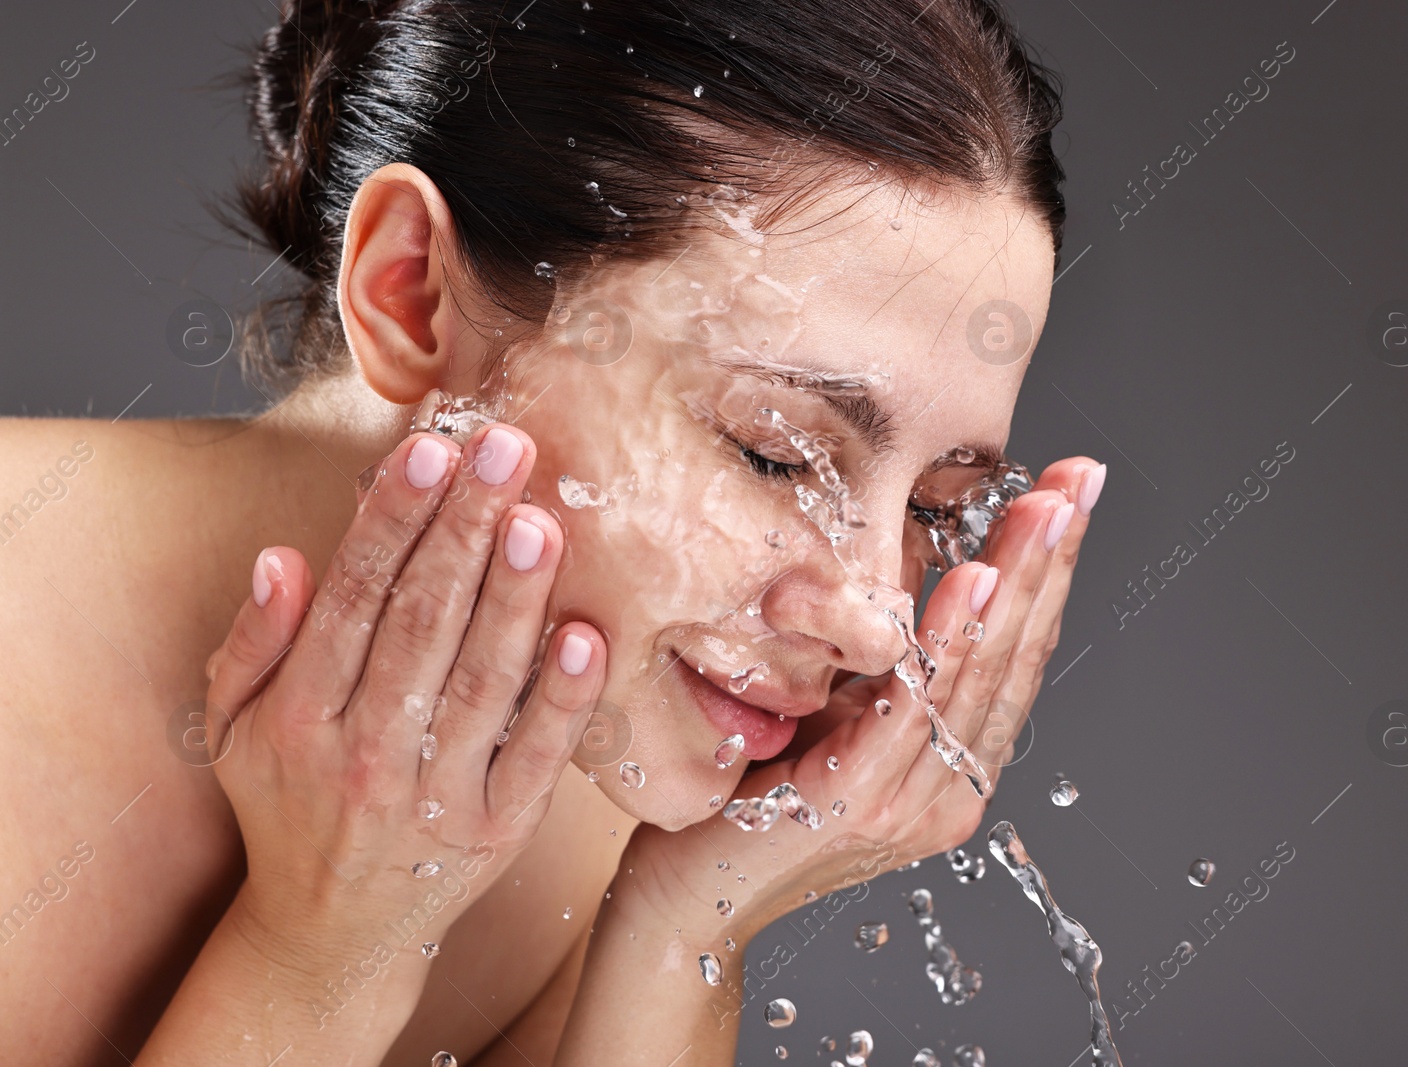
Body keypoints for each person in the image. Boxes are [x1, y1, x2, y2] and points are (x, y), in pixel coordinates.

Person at [0, 0, 1106, 1062]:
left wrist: (682, 933)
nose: (876, 622)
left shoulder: (554, 775)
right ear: (410, 294)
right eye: (773, 451)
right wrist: (314, 952)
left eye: (932, 509)